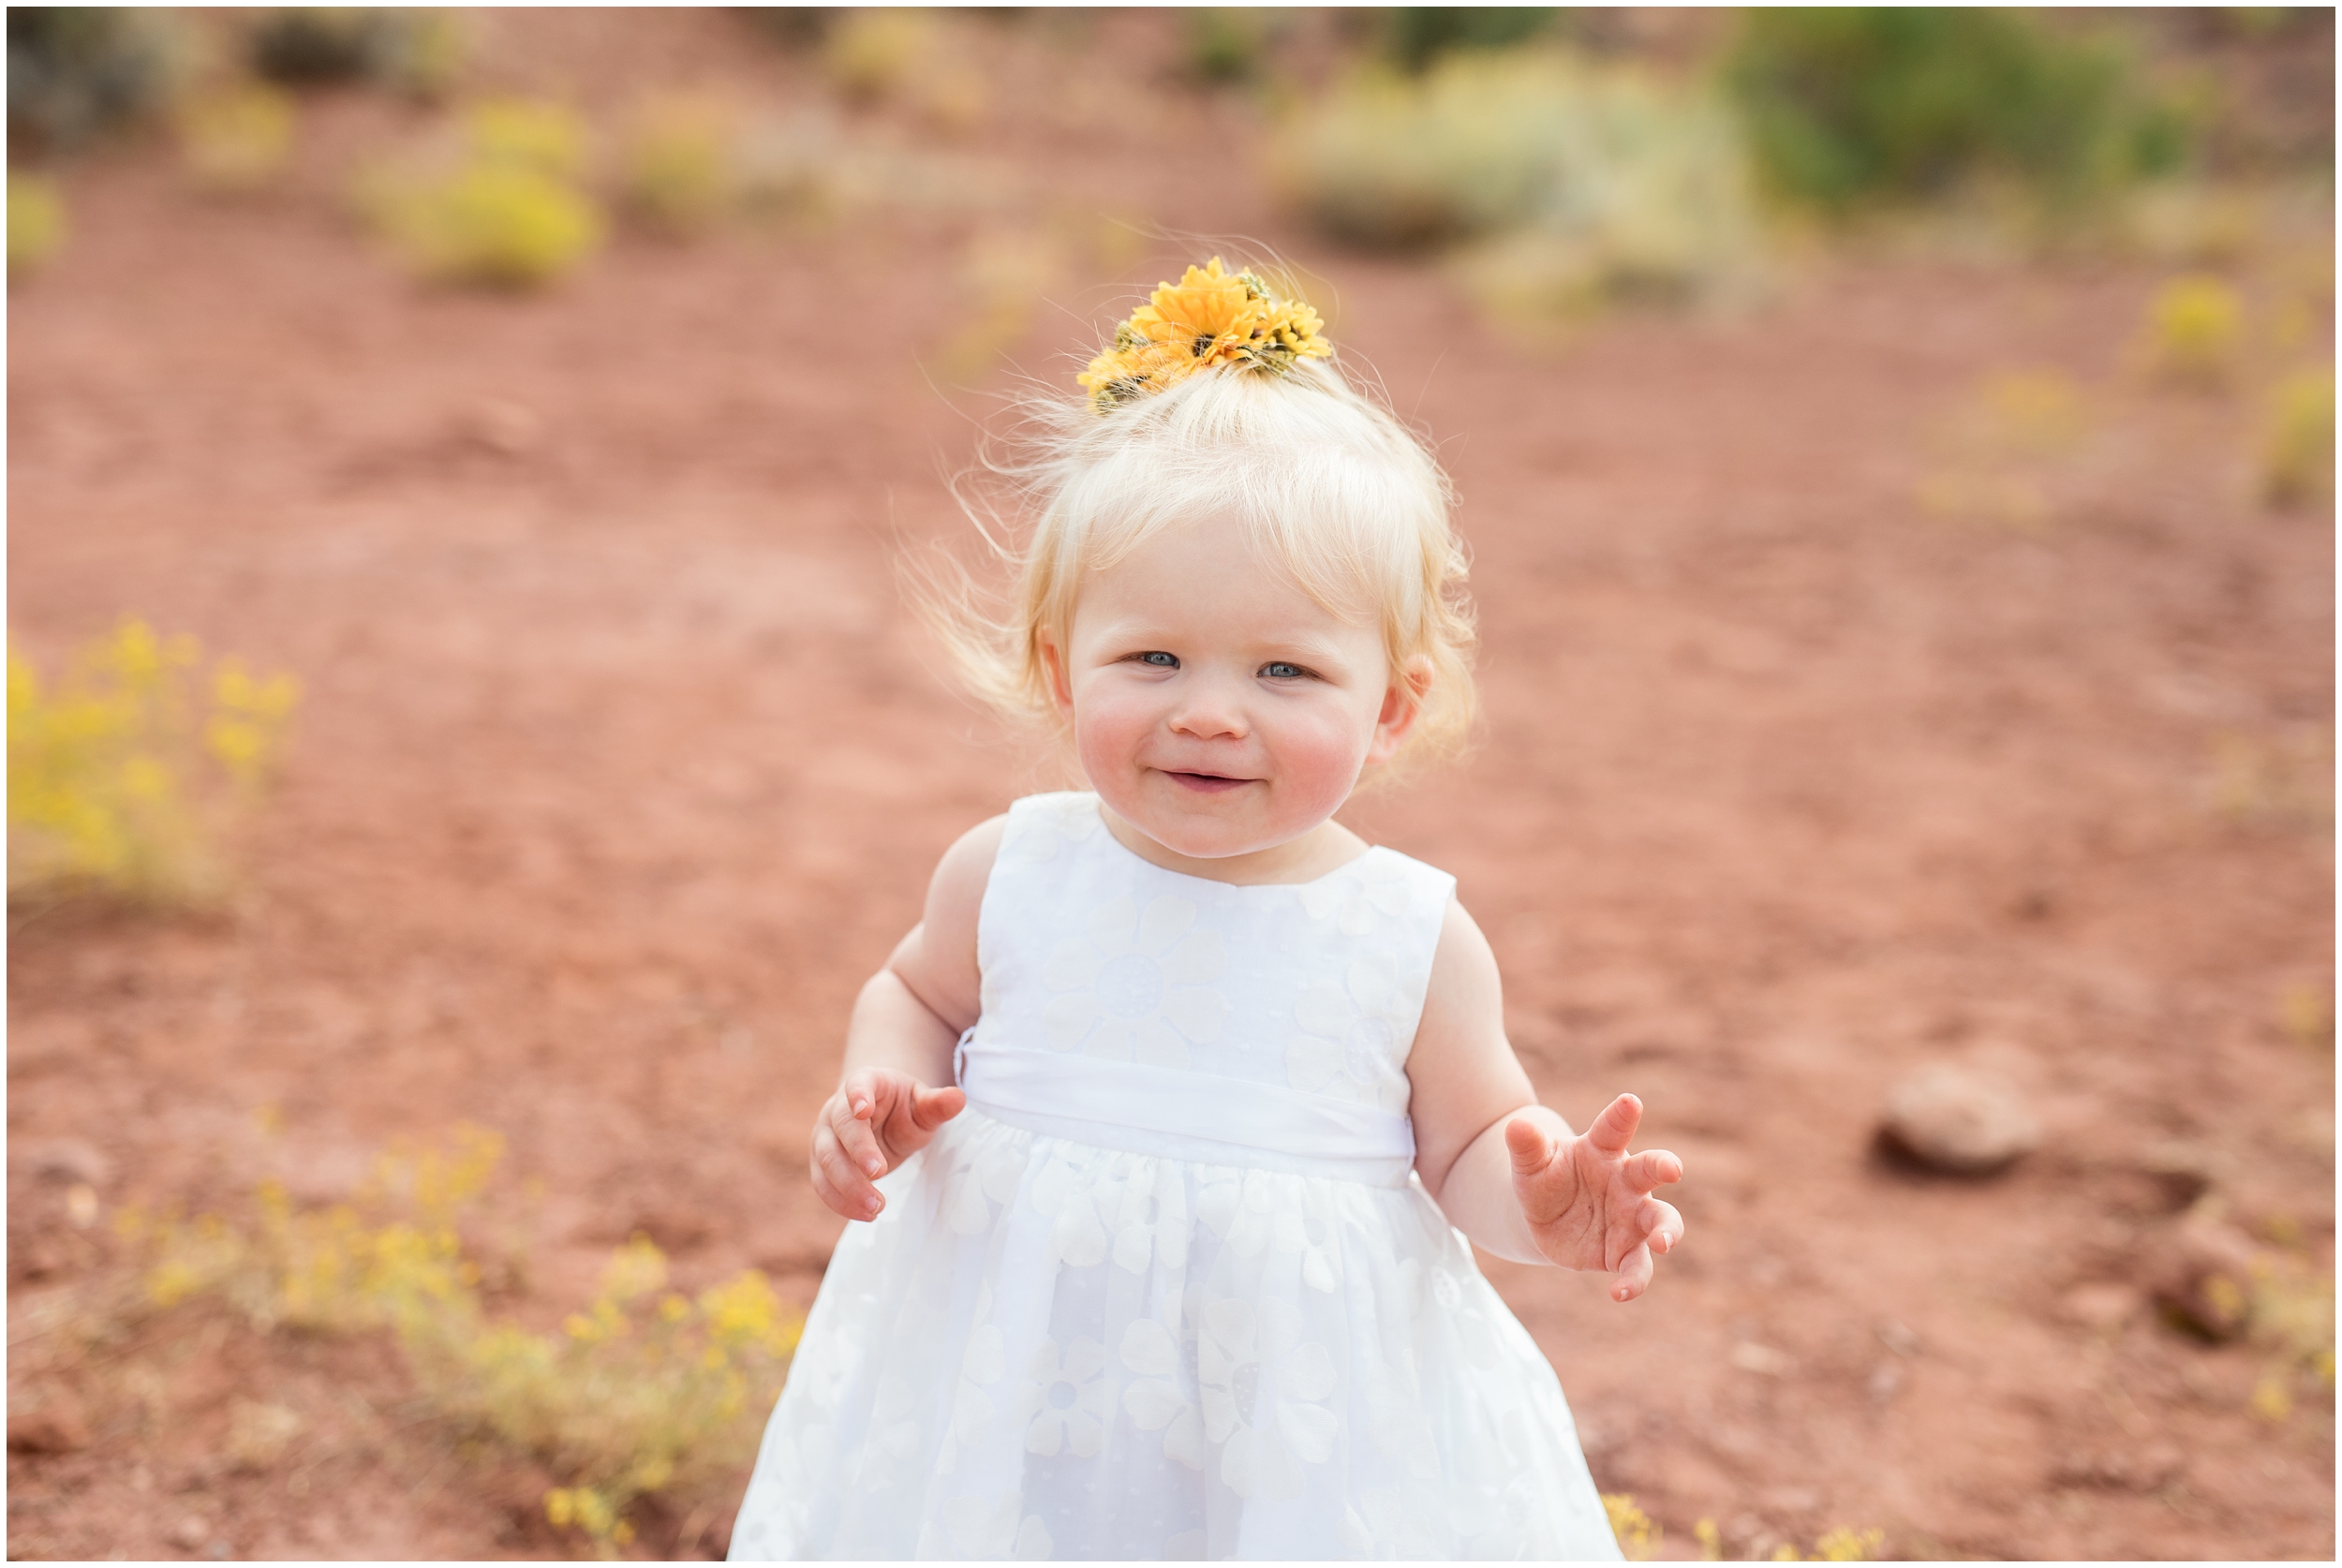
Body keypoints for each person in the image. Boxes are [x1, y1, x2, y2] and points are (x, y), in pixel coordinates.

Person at [729, 259, 1684, 1561]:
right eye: (1153, 656)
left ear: (1390, 706)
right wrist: (876, 1090)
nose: (1211, 710)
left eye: (1287, 668)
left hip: (1285, 1438)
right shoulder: (1011, 869)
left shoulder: (1408, 938)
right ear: (1061, 665)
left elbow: (1468, 1150)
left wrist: (1546, 1208)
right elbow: (916, 996)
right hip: (1015, 1393)